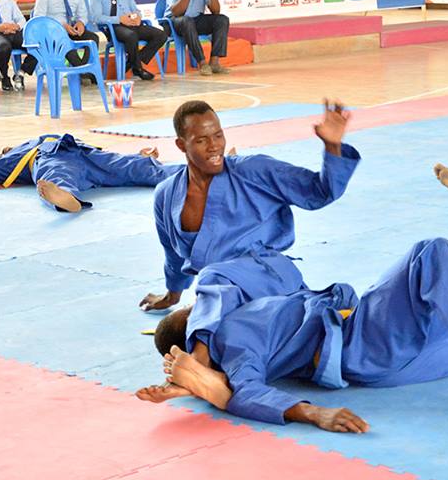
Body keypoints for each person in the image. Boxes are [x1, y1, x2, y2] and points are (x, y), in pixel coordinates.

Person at [137, 238, 448, 431]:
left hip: (382, 362)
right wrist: (314, 413)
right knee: (431, 254)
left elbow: (240, 388)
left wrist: (208, 385)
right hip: (364, 338)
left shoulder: (244, 332)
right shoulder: (232, 334)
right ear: (192, 318)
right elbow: (243, 386)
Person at [138, 98, 360, 353]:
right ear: (181, 145)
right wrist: (172, 295)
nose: (214, 146)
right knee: (172, 338)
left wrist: (332, 146)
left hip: (266, 281)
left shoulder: (253, 170)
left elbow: (318, 191)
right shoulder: (166, 195)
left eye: (218, 135)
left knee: (214, 296)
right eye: (201, 140)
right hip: (222, 297)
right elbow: (173, 254)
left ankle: (202, 361)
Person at [0, 134, 181, 213]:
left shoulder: (34, 140)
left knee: (137, 166)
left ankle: (197, 171)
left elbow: (108, 153)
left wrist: (138, 155)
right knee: (55, 179)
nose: (7, 148)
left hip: (86, 153)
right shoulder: (11, 160)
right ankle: (65, 199)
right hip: (52, 161)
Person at [88, 0, 167, 81]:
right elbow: (96, 17)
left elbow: (136, 10)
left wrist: (138, 17)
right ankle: (138, 69)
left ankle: (131, 63)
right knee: (131, 36)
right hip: (114, 28)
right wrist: (119, 19)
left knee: (161, 35)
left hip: (132, 24)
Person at [31, 0, 100, 85]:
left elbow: (83, 14)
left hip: (72, 29)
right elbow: (39, 18)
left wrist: (81, 23)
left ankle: (84, 69)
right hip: (53, 33)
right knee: (66, 43)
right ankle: (84, 72)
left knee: (93, 38)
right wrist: (60, 26)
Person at [163, 0, 230, 76]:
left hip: (195, 20)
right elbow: (176, 12)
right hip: (174, 22)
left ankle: (214, 63)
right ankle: (202, 63)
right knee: (187, 21)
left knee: (222, 19)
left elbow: (216, 11)